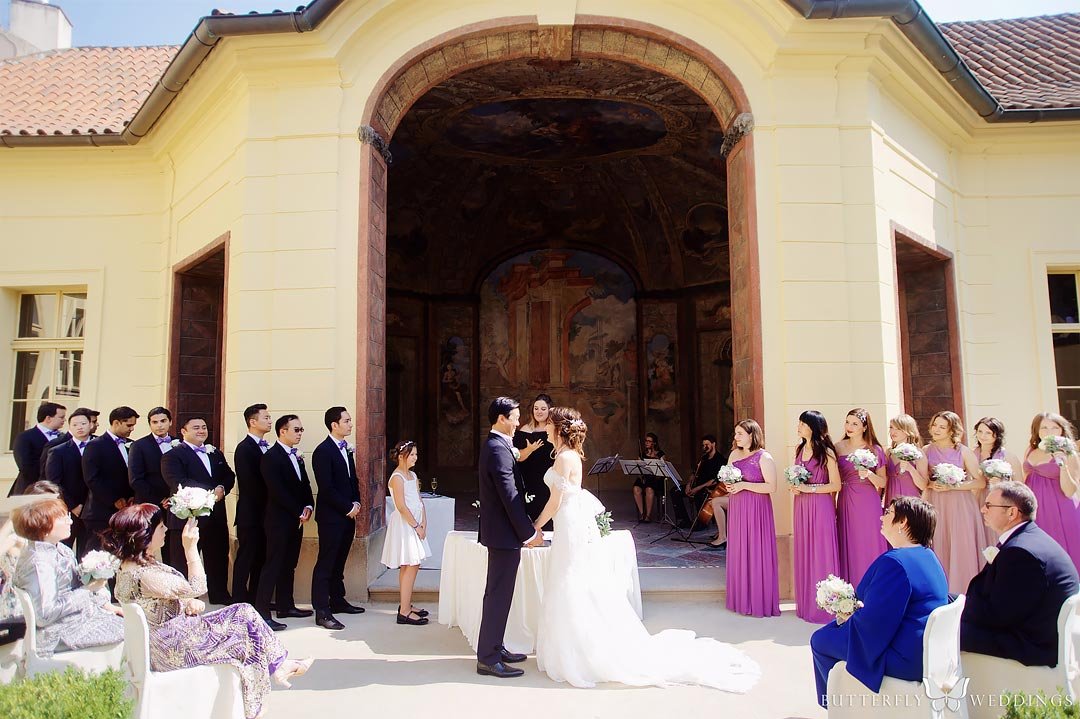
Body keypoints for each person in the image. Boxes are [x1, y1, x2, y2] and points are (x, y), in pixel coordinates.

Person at [531, 406, 760, 690]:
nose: (544, 427)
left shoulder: (565, 457)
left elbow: (556, 501)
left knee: (569, 580)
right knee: (570, 580)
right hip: (570, 522)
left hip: (567, 521)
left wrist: (537, 524)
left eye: (548, 423)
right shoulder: (567, 455)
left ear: (558, 427)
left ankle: (579, 652)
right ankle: (572, 646)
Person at [107, 504, 312, 719]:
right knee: (244, 617)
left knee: (242, 617)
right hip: (177, 648)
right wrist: (191, 549)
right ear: (144, 535)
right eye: (160, 526)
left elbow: (156, 603)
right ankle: (267, 683)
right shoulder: (146, 575)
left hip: (169, 640)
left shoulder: (128, 568)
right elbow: (197, 587)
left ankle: (277, 668)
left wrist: (186, 603)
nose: (166, 529)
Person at [810, 496, 949, 707]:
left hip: (905, 658)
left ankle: (838, 707)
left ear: (903, 522)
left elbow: (875, 624)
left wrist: (849, 617)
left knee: (820, 640)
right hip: (925, 650)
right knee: (833, 631)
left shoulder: (895, 563)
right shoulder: (928, 556)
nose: (882, 518)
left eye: (888, 513)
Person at [960, 481, 1079, 667]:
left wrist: (957, 610)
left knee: (941, 631)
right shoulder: (1030, 538)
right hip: (1037, 630)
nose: (983, 509)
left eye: (989, 505)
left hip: (1034, 644)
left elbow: (999, 615)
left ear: (1012, 513)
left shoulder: (1021, 552)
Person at [475, 397, 543, 679]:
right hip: (503, 536)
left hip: (501, 534)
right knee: (498, 596)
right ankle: (488, 659)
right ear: (501, 419)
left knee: (498, 594)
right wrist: (528, 533)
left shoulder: (498, 446)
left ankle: (494, 646)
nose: (518, 423)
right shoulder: (497, 449)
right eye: (514, 417)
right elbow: (509, 496)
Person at [11, 494, 124, 657]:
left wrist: (106, 605)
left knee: (131, 622)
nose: (70, 522)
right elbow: (45, 614)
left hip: (75, 619)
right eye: (63, 518)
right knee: (132, 630)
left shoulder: (59, 549)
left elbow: (75, 585)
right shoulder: (39, 562)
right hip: (59, 632)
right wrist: (87, 591)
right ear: (45, 525)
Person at [161, 415, 235, 605]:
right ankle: (183, 597)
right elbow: (178, 481)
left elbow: (228, 475)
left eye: (203, 427)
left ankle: (219, 594)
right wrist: (210, 492)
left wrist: (222, 488)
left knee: (218, 555)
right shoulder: (173, 455)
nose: (201, 430)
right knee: (183, 558)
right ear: (184, 431)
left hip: (216, 515)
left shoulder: (214, 453)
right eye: (196, 427)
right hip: (187, 516)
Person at [255, 415, 314, 630]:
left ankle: (285, 605)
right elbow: (276, 490)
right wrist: (297, 509)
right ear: (283, 431)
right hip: (279, 520)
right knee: (273, 564)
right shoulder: (271, 457)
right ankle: (262, 612)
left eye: (301, 429)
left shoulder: (297, 455)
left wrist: (308, 505)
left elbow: (305, 483)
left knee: (290, 564)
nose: (300, 433)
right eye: (296, 429)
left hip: (296, 519)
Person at [311, 407, 365, 630]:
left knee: (340, 559)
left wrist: (357, 502)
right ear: (334, 424)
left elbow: (353, 480)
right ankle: (322, 610)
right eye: (347, 421)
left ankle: (338, 599)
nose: (351, 424)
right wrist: (347, 507)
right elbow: (326, 487)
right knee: (326, 561)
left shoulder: (346, 449)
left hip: (348, 515)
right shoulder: (322, 451)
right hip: (331, 516)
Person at [924, 410, 986, 594]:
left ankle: (965, 591)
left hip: (960, 505)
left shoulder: (963, 451)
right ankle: (942, 591)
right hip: (936, 503)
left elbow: (980, 481)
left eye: (942, 427)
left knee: (960, 546)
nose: (936, 429)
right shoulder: (926, 451)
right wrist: (932, 483)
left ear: (952, 430)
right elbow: (923, 480)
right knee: (939, 543)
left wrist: (953, 486)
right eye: (935, 425)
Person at [789, 410, 842, 624]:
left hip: (821, 506)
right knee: (805, 550)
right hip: (801, 505)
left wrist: (809, 489)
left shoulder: (827, 452)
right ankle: (806, 604)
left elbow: (836, 485)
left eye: (802, 423)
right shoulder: (799, 449)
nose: (799, 427)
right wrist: (795, 487)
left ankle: (825, 607)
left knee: (821, 551)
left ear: (812, 426)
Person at [725, 419, 780, 617]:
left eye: (740, 433)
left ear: (752, 435)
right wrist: (730, 486)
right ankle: (740, 599)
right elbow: (728, 479)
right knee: (740, 549)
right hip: (738, 507)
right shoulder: (734, 454)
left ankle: (758, 600)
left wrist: (744, 486)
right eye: (735, 433)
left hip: (757, 509)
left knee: (757, 550)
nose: (736, 437)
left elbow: (771, 487)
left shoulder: (764, 457)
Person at [835, 408, 888, 588]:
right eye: (847, 422)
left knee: (868, 543)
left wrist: (868, 474)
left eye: (855, 423)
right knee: (848, 543)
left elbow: (882, 481)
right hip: (845, 498)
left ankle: (873, 588)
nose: (849, 427)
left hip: (868, 501)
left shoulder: (875, 449)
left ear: (865, 427)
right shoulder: (838, 447)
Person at [380, 440, 431, 626]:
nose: (416, 458)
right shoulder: (397, 477)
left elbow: (419, 500)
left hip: (416, 522)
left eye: (416, 454)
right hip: (405, 524)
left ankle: (406, 604)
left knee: (411, 564)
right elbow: (401, 506)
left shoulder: (412, 475)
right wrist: (416, 525)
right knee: (410, 563)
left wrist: (424, 522)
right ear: (402, 456)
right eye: (413, 455)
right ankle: (404, 611)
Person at [1020, 412, 1080, 570]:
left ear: (1061, 430)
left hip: (1060, 508)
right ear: (1037, 431)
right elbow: (1026, 480)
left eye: (1054, 428)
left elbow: (1069, 491)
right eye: (1044, 428)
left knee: (1065, 552)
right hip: (1035, 509)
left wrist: (1063, 464)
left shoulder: (1069, 453)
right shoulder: (1031, 450)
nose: (1049, 432)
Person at [81, 406, 139, 555]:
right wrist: (114, 499)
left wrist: (132, 496)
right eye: (129, 425)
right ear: (116, 423)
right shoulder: (95, 445)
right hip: (100, 512)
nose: (132, 429)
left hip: (126, 511)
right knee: (97, 554)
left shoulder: (133, 445)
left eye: (133, 425)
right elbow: (92, 478)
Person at [232, 403, 272, 605]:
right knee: (246, 556)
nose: (270, 421)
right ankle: (238, 598)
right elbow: (250, 483)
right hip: (251, 513)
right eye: (265, 417)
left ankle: (258, 597)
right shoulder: (245, 448)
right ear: (252, 422)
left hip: (265, 514)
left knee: (261, 558)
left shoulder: (267, 447)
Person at [43, 407, 95, 556]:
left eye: (83, 424)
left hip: (94, 508)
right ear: (69, 427)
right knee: (64, 549)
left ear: (90, 425)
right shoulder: (58, 451)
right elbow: (54, 483)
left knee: (88, 553)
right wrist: (73, 506)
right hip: (68, 508)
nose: (79, 427)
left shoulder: (100, 446)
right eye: (75, 424)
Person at [127, 406, 174, 565]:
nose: (159, 425)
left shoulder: (179, 443)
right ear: (150, 424)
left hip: (176, 506)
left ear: (170, 422)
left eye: (163, 421)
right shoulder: (139, 446)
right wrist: (161, 499)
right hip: (149, 504)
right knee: (145, 547)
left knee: (173, 549)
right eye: (155, 422)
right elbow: (136, 479)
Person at [972, 416, 1024, 547]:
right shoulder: (971, 454)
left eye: (988, 432)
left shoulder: (1008, 457)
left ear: (997, 435)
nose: (983, 436)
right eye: (980, 431)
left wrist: (1002, 482)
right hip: (976, 500)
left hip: (1000, 502)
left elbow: (1020, 485)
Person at [513, 393, 554, 526]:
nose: (539, 412)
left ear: (549, 410)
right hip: (530, 478)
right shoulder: (525, 430)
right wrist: (530, 449)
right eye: (536, 408)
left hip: (549, 477)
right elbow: (518, 457)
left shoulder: (554, 430)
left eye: (543, 409)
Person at [9, 402, 66, 496]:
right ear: (48, 418)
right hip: (30, 488)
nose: (64, 420)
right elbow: (25, 465)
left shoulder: (63, 438)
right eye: (61, 417)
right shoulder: (25, 437)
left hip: (57, 489)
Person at [686, 434, 728, 547]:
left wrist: (696, 489)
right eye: (703, 445)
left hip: (707, 487)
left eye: (707, 444)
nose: (705, 447)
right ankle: (684, 520)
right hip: (698, 485)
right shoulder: (703, 458)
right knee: (675, 491)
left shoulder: (720, 460)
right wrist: (689, 485)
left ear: (713, 444)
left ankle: (702, 523)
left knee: (699, 495)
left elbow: (714, 481)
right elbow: (694, 473)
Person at [884, 414, 928, 506]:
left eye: (898, 428)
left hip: (910, 500)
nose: (893, 431)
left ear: (908, 430)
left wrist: (910, 469)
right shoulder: (889, 453)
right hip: (891, 498)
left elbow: (923, 485)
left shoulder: (918, 453)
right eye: (891, 427)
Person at [633, 432, 666, 523]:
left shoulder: (660, 454)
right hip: (645, 478)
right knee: (636, 488)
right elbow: (638, 468)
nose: (646, 443)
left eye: (649, 441)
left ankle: (648, 515)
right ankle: (642, 513)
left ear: (654, 443)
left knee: (649, 489)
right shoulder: (642, 454)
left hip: (656, 479)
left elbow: (663, 469)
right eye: (646, 441)